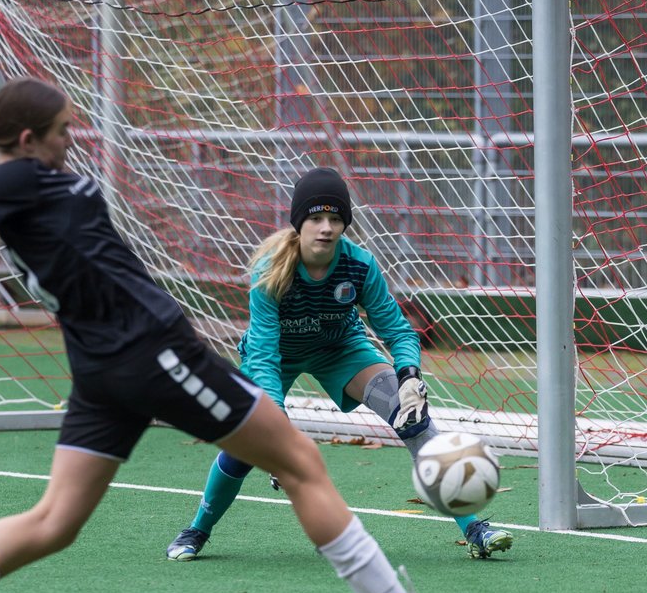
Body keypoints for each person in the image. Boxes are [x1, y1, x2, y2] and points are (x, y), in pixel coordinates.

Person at [0, 34, 462, 593]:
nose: (71, 139)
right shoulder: (17, 176)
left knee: (54, 522)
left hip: (101, 367)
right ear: (27, 137)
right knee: (300, 461)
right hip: (151, 348)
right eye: (62, 130)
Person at [165, 167, 514, 562]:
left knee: (412, 417)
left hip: (341, 348)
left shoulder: (361, 265)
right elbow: (263, 352)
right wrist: (276, 429)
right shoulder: (270, 272)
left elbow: (398, 331)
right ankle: (197, 529)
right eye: (315, 218)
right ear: (299, 223)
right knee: (246, 446)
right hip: (276, 355)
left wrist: (410, 377)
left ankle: (475, 529)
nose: (326, 227)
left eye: (335, 218)